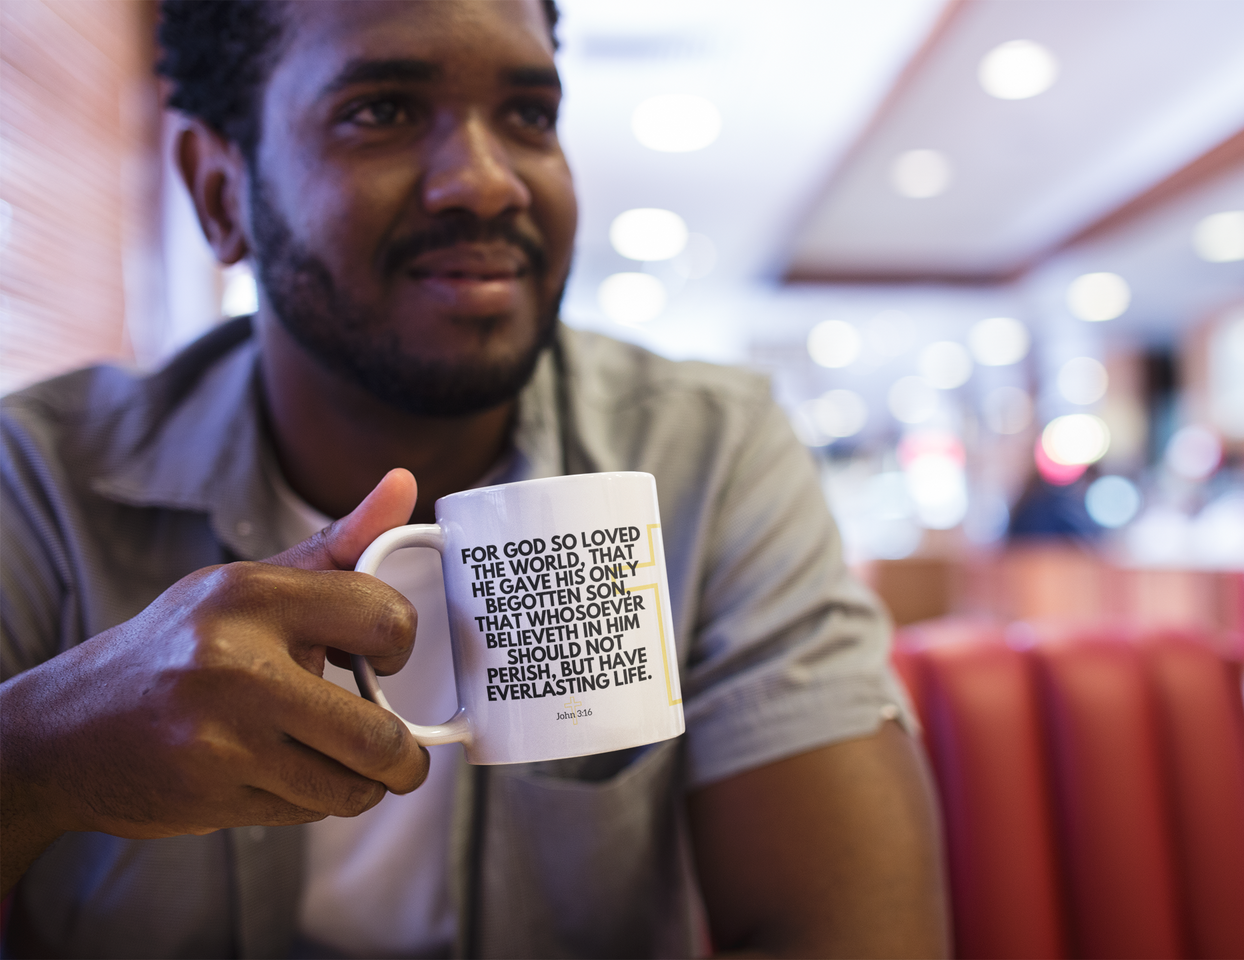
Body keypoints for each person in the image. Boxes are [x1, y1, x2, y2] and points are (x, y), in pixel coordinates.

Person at [0, 1, 948, 956]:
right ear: (218, 191)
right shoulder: (38, 482)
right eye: (381, 110)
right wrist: (35, 765)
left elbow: (854, 933)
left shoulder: (705, 455)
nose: (487, 183)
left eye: (530, 116)